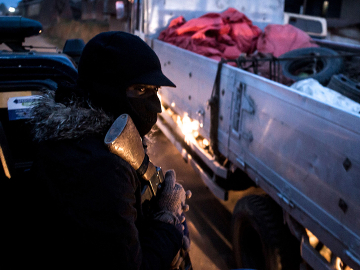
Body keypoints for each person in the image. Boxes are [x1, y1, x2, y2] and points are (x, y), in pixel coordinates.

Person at [27, 31, 191, 269]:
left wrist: (156, 201)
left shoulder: (92, 142)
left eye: (155, 90)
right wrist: (167, 220)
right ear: (108, 91)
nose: (156, 106)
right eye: (141, 89)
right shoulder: (101, 167)